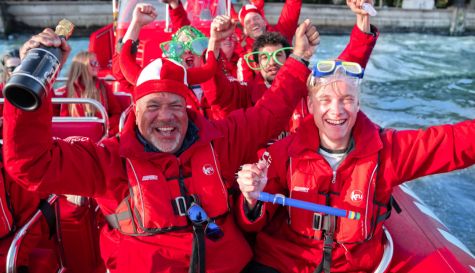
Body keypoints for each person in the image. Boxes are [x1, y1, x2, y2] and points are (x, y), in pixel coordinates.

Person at [3, 16, 319, 273]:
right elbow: (31, 165)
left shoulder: (220, 140)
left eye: (176, 105)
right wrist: (32, 86)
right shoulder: (108, 161)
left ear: (190, 109)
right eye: (153, 106)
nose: (166, 117)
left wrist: (300, 59)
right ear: (135, 110)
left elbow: (270, 113)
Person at [235, 62, 475, 272]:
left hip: (353, 266)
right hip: (286, 262)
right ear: (310, 105)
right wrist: (251, 200)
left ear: (358, 104)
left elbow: (452, 143)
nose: (336, 110)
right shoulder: (282, 153)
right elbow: (252, 221)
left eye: (347, 100)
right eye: (325, 100)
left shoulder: (388, 150)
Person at [202, 0, 378, 129]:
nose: (272, 62)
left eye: (278, 55)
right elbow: (217, 96)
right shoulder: (246, 94)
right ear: (256, 63)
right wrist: (214, 42)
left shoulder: (308, 86)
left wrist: (363, 19)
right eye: (264, 57)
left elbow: (343, 70)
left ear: (289, 58)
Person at [55, 51, 122, 136]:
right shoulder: (70, 90)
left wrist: (105, 127)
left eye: (97, 62)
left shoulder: (103, 87)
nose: (96, 65)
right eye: (93, 63)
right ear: (82, 66)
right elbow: (64, 119)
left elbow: (117, 113)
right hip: (77, 136)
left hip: (101, 135)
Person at [237, 0, 302, 81]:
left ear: (264, 21)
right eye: (248, 22)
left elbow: (292, 6)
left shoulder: (282, 33)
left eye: (256, 18)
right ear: (245, 31)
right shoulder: (244, 56)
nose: (253, 23)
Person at [0, 49, 21, 137]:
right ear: (6, 71)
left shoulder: (38, 89)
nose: (16, 71)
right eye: (11, 69)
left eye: (20, 67)